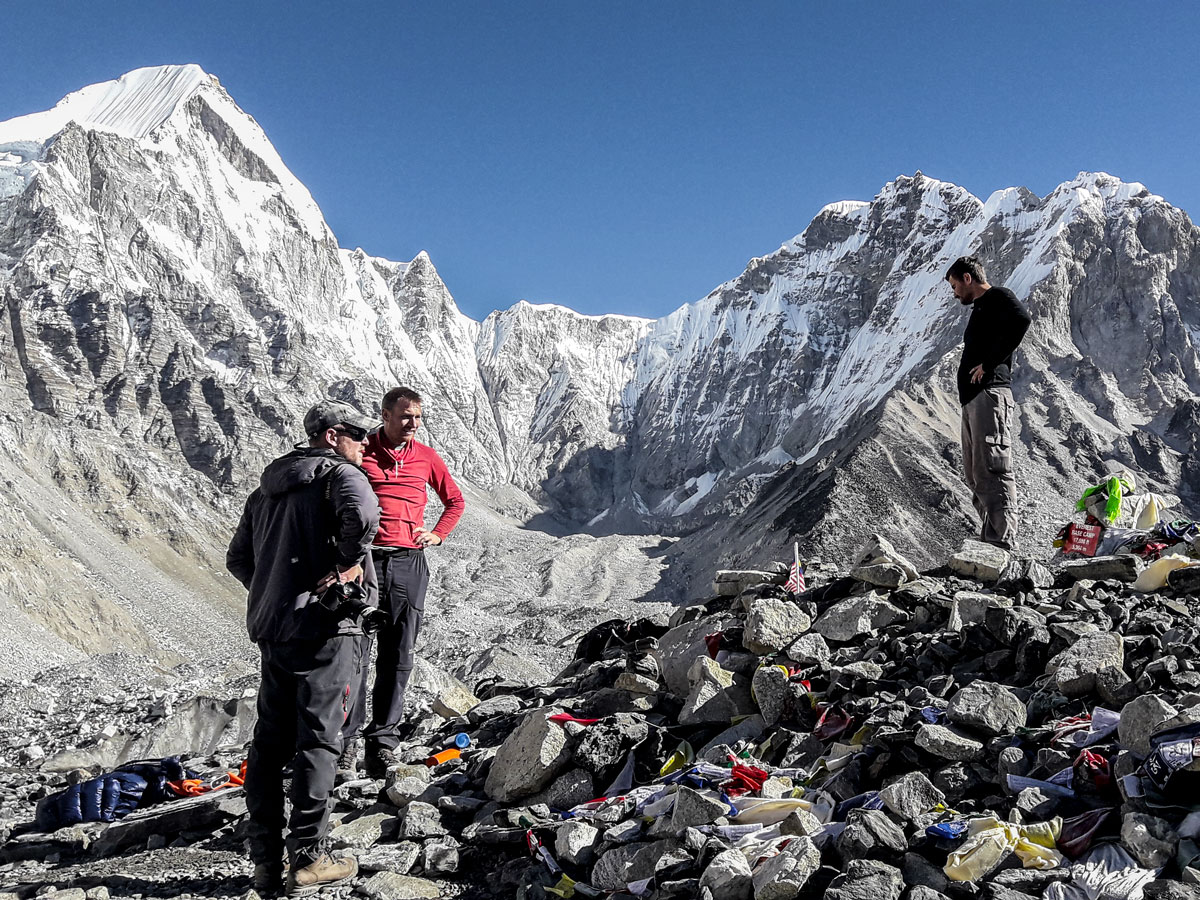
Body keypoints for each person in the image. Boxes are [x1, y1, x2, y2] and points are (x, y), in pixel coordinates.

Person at [226, 400, 380, 896]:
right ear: (332, 436)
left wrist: (277, 592)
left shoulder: (265, 491)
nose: (365, 442)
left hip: (275, 631)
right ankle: (310, 856)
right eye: (358, 433)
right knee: (319, 739)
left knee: (269, 744)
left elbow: (238, 559)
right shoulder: (340, 475)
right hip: (327, 629)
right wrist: (346, 566)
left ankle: (266, 864)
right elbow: (363, 515)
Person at [343, 386, 465, 779]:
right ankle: (344, 745)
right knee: (354, 653)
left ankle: (383, 744)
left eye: (418, 417)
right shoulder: (363, 452)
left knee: (398, 654)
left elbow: (455, 501)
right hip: (365, 561)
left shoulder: (427, 457)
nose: (413, 424)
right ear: (385, 415)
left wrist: (438, 534)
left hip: (408, 562)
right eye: (405, 416)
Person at [946, 256, 1032, 550]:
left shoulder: (998, 296)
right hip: (973, 400)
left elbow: (1023, 320)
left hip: (990, 394)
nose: (955, 293)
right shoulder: (981, 308)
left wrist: (990, 363)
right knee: (975, 472)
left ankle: (1002, 542)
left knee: (993, 467)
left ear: (968, 278)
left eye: (955, 286)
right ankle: (989, 538)